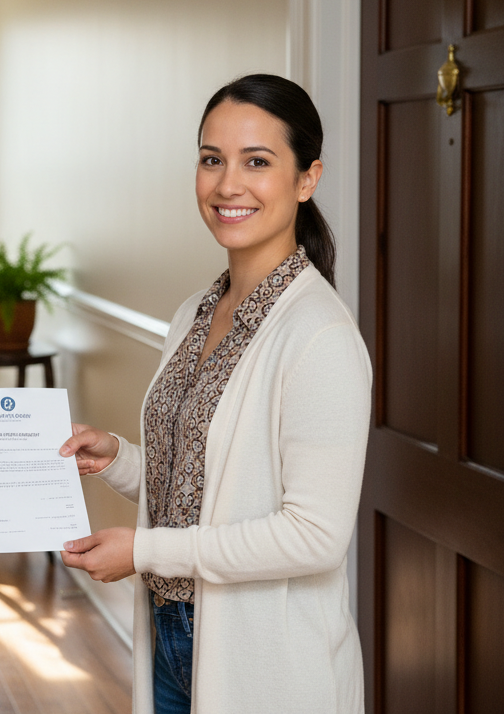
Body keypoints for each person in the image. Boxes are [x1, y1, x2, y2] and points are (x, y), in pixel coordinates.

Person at [58, 74, 371, 713]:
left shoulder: (320, 336)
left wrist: (144, 550)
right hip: (174, 638)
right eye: (212, 160)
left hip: (266, 661)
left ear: (307, 179)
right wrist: (117, 458)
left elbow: (314, 534)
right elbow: (218, 484)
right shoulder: (197, 312)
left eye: (257, 161)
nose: (228, 184)